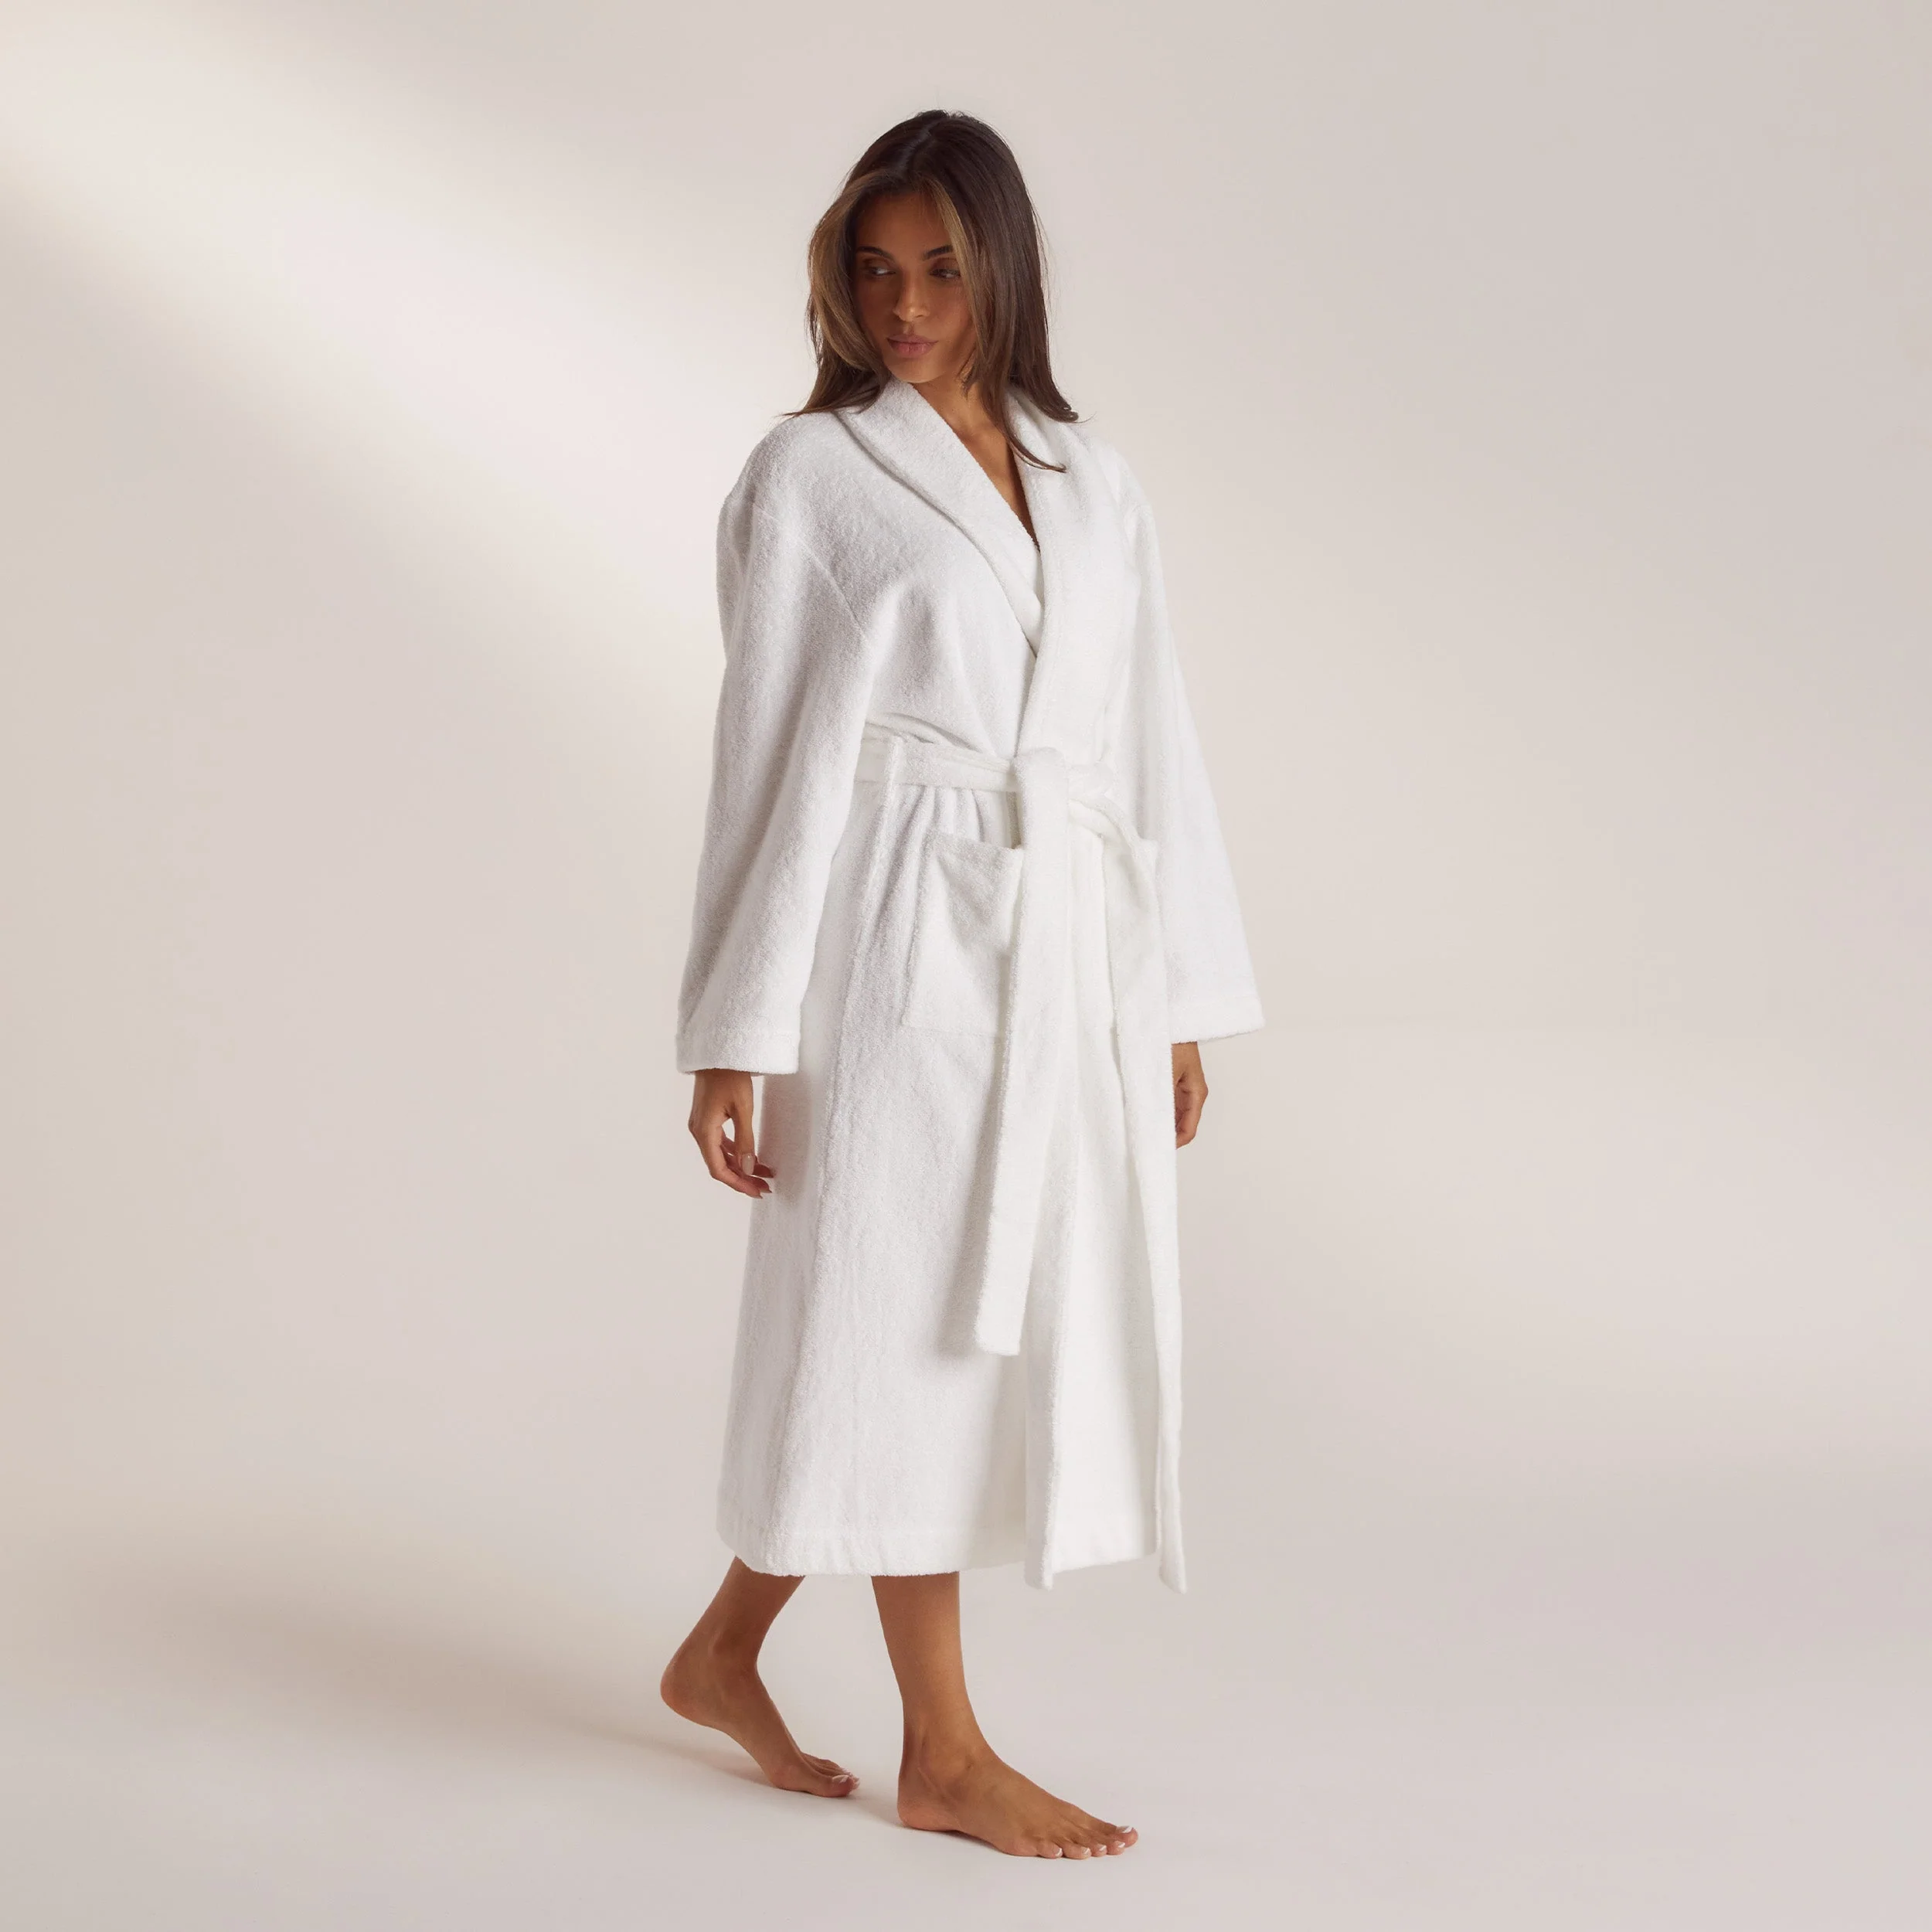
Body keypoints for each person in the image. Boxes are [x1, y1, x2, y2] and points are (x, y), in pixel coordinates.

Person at [661, 109, 1263, 1860]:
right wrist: (732, 1031)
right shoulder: (812, 479)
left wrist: (1173, 994)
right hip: (891, 935)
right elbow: (767, 758)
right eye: (874, 271)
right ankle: (943, 1747)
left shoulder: (1092, 480)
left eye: (938, 269)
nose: (905, 307)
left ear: (1002, 269)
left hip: (1061, 939)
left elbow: (1148, 738)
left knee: (919, 1325)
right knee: (894, 1309)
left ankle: (722, 1651)